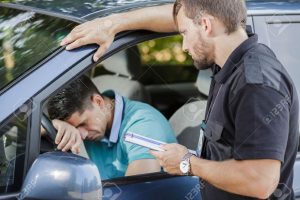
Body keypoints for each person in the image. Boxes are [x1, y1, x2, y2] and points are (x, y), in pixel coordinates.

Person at [60, 0, 299, 199]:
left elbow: (260, 182)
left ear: (205, 25)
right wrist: (112, 24)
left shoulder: (256, 84)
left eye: (184, 33)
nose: (183, 46)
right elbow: (178, 15)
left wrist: (188, 162)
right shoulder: (228, 59)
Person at [47, 76, 177, 180]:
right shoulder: (94, 126)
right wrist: (54, 125)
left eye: (83, 123)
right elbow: (31, 133)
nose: (82, 135)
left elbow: (136, 191)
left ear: (98, 102)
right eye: (74, 128)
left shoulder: (143, 123)